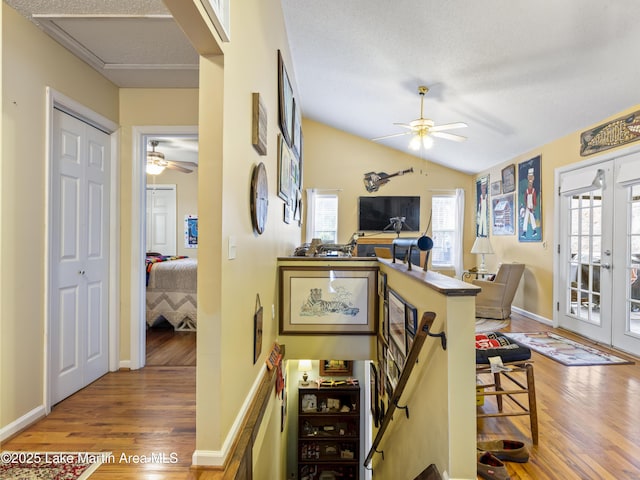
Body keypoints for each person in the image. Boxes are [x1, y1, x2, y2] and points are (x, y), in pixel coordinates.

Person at [522, 167, 537, 237]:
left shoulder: (533, 191)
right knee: (526, 218)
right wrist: (526, 206)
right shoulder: (527, 191)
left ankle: (534, 230)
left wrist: (533, 208)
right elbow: (525, 199)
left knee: (532, 218)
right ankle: (524, 231)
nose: (530, 185)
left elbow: (534, 200)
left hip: (531, 207)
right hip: (527, 207)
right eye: (529, 177)